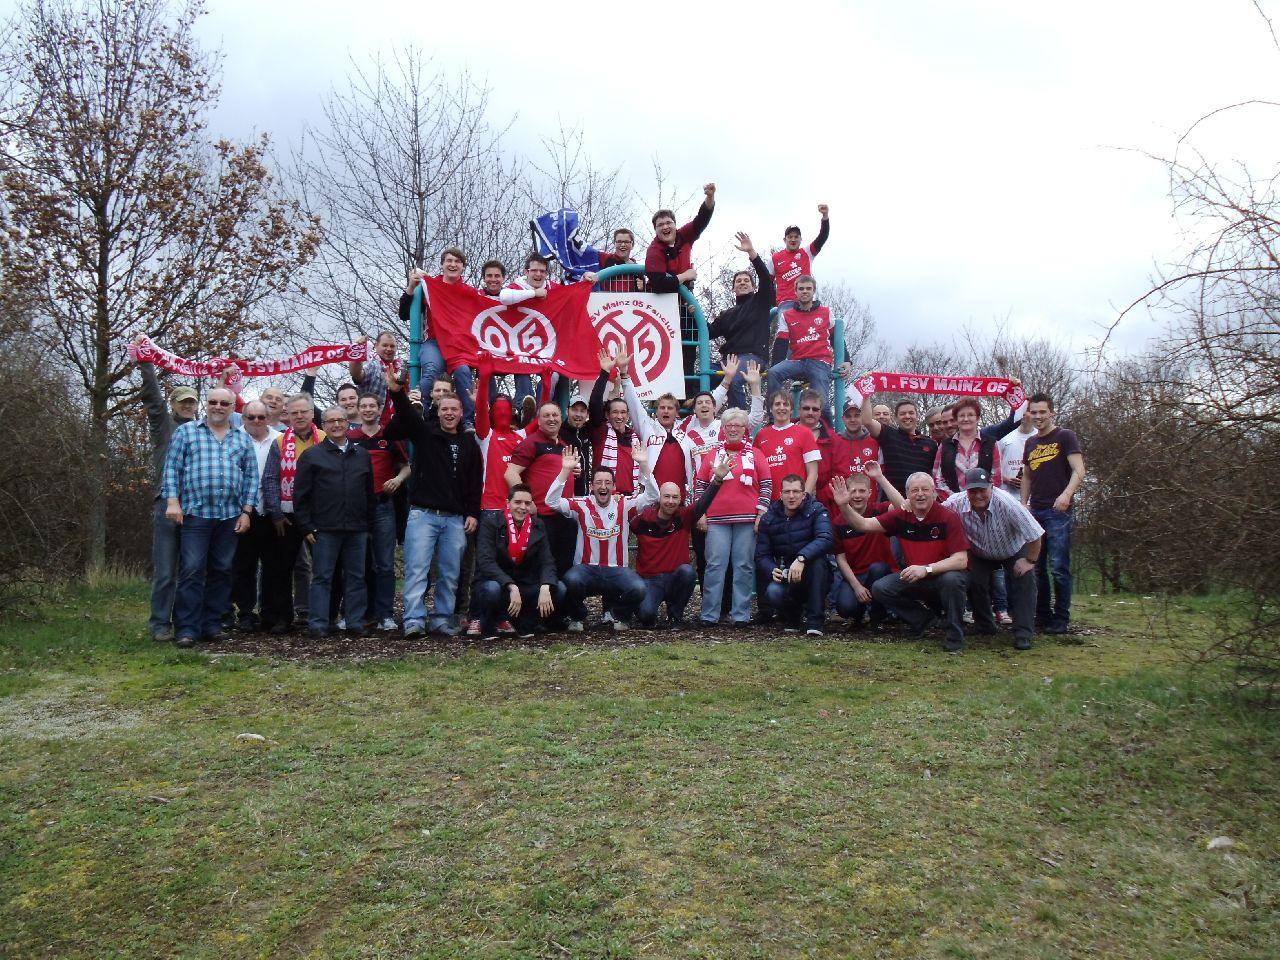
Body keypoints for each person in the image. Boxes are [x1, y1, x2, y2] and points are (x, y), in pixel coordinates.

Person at [160, 387, 258, 648]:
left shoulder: (241, 437)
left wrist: (247, 512)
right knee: (191, 570)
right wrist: (172, 502)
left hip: (229, 516)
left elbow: (251, 477)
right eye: (213, 402)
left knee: (222, 570)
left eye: (224, 403)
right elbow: (172, 468)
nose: (218, 406)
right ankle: (187, 629)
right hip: (194, 514)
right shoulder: (187, 432)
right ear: (207, 404)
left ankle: (212, 625)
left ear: (231, 408)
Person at [385, 377, 481, 638]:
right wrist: (397, 393)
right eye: (445, 409)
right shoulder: (425, 432)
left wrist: (472, 512)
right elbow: (405, 415)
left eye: (454, 409)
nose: (449, 413)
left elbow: (474, 482)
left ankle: (441, 619)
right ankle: (414, 620)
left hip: (455, 519)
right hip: (423, 515)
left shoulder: (469, 444)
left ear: (461, 413)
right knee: (417, 570)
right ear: (437, 411)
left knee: (450, 574)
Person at [838, 471, 970, 652]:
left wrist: (927, 569)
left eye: (925, 489)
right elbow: (863, 525)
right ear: (907, 495)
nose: (920, 494)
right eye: (915, 490)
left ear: (934, 493)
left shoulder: (948, 517)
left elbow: (961, 560)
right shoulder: (901, 515)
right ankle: (922, 619)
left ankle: (954, 634)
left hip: (940, 577)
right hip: (915, 579)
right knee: (880, 588)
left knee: (953, 579)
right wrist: (844, 506)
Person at [545, 445, 658, 631]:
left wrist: (644, 464)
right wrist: (565, 470)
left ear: (614, 486)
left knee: (639, 588)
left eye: (607, 483)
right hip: (586, 569)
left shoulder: (625, 504)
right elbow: (551, 501)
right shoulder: (581, 504)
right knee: (569, 581)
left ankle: (619, 616)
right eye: (598, 482)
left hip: (616, 570)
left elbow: (653, 495)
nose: (603, 487)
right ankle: (578, 616)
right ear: (592, 486)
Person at [293, 406, 376, 638]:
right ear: (323, 425)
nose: (337, 425)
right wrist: (306, 526)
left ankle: (355, 622)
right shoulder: (311, 456)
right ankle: (318, 624)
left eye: (341, 420)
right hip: (325, 529)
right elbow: (300, 496)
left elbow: (369, 493)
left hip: (357, 529)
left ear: (348, 423)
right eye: (331, 421)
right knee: (322, 577)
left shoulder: (361, 455)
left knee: (356, 577)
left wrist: (369, 525)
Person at [136, 342, 199, 642]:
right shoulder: (164, 425)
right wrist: (145, 361)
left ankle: (187, 623)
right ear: (173, 404)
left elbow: (222, 406)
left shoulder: (203, 432)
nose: (187, 406)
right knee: (165, 571)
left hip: (197, 507)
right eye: (182, 402)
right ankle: (160, 624)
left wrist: (225, 380)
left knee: (192, 570)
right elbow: (151, 396)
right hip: (165, 505)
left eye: (191, 402)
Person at [943, 468, 1043, 650]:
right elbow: (936, 514)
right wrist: (907, 505)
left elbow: (1035, 534)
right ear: (966, 490)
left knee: (1024, 579)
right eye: (973, 491)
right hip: (980, 553)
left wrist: (1030, 561)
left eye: (983, 490)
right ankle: (985, 625)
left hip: (1013, 549)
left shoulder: (1008, 504)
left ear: (992, 487)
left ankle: (1023, 633)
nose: (978, 495)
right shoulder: (956, 503)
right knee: (974, 581)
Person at [696, 408, 772, 626]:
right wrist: (700, 513)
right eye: (729, 425)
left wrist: (761, 512)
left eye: (738, 425)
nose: (733, 429)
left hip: (747, 519)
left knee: (744, 566)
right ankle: (709, 614)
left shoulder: (756, 454)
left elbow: (766, 485)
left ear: (745, 429)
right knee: (715, 565)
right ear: (723, 429)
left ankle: (741, 614)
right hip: (716, 519)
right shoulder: (712, 454)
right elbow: (700, 485)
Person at [634, 461, 729, 628]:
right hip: (650, 580)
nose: (670, 501)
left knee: (688, 572)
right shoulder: (642, 520)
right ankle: (641, 607)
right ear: (659, 498)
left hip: (674, 578)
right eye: (667, 496)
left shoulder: (683, 517)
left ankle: (675, 615)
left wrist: (717, 480)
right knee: (646, 616)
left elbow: (702, 504)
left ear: (680, 499)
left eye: (675, 497)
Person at [1021, 393, 1085, 635]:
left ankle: (1061, 618)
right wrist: (1023, 504)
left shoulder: (1065, 436)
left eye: (1042, 412)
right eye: (1033, 412)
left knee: (1059, 566)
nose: (1038, 416)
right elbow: (1026, 476)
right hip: (1035, 510)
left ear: (1051, 412)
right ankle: (1042, 614)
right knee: (1036, 565)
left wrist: (1066, 495)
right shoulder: (1031, 443)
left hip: (1058, 512)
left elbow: (1079, 470)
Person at [260, 393, 323, 633]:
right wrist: (276, 513)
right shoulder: (278, 441)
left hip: (318, 515)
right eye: (294, 412)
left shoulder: (325, 439)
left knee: (323, 568)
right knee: (280, 568)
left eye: (303, 412)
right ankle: (282, 617)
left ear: (311, 413)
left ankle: (319, 616)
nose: (299, 416)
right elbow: (269, 478)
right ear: (289, 414)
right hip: (287, 515)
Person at [472, 484, 566, 638]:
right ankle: (490, 624)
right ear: (507, 503)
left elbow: (547, 561)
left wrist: (545, 585)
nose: (522, 507)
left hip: (524, 584)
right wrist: (510, 585)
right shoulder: (491, 523)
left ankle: (526, 625)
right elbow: (485, 561)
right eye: (518, 502)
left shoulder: (538, 525)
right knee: (491, 589)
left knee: (559, 589)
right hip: (498, 584)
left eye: (527, 503)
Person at [350, 392, 409, 631]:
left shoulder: (390, 435)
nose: (367, 410)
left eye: (371, 406)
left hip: (384, 506)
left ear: (378, 409)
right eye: (362, 406)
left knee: (384, 564)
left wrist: (397, 479)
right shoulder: (350, 437)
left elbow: (407, 467)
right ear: (358, 409)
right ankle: (358, 612)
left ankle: (385, 614)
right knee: (357, 564)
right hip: (356, 508)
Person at [646, 182, 716, 386]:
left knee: (688, 347)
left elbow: (701, 221)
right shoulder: (654, 251)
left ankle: (687, 392)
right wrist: (685, 276)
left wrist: (709, 199)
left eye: (668, 223)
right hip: (662, 306)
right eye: (660, 225)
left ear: (675, 225)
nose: (665, 227)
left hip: (685, 304)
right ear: (656, 230)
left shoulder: (683, 236)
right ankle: (661, 395)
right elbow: (659, 284)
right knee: (665, 349)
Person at [400, 248, 477, 420]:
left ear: (463, 267)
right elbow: (404, 314)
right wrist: (412, 286)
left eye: (457, 262)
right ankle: (420, 409)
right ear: (442, 264)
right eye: (449, 261)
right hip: (435, 341)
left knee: (463, 373)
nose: (453, 264)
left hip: (459, 345)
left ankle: (467, 420)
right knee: (432, 369)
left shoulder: (469, 293)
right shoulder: (429, 287)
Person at [755, 474, 834, 635]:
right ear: (780, 494)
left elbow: (825, 538)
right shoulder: (769, 518)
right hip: (788, 573)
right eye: (787, 492)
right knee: (773, 592)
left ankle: (815, 622)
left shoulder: (817, 510)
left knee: (819, 562)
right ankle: (792, 617)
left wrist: (802, 557)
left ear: (804, 494)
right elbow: (761, 555)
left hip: (814, 570)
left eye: (796, 492)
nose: (791, 496)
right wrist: (771, 569)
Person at [617, 346, 697, 499]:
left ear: (676, 412)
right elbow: (634, 405)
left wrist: (726, 382)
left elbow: (708, 407)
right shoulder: (648, 427)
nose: (665, 411)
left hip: (678, 497)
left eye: (670, 408)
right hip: (651, 497)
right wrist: (625, 375)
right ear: (656, 411)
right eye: (662, 408)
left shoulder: (686, 429)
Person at [506, 401, 576, 576]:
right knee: (542, 569)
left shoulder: (564, 446)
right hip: (543, 517)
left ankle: (561, 603)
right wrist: (526, 504)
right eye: (546, 415)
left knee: (564, 569)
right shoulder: (532, 443)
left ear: (562, 418)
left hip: (565, 516)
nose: (551, 419)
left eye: (555, 415)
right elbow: (510, 473)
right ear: (538, 420)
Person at [707, 232, 775, 409]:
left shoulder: (760, 302)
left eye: (747, 280)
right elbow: (707, 332)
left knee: (734, 379)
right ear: (733, 288)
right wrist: (691, 313)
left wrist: (751, 252)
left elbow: (766, 279)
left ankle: (738, 421)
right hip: (729, 358)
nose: (743, 283)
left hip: (752, 356)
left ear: (752, 286)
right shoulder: (727, 314)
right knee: (701, 374)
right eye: (738, 281)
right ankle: (697, 421)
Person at [768, 276, 849, 423]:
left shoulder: (826, 312)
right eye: (801, 289)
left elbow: (835, 337)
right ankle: (774, 419)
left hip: (819, 361)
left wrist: (847, 360)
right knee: (774, 372)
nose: (805, 291)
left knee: (821, 401)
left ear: (814, 291)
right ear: (796, 292)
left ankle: (827, 435)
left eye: (808, 288)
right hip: (797, 361)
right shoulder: (787, 315)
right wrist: (776, 364)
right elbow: (781, 342)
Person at [229, 400, 280, 631]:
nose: (257, 422)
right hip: (242, 512)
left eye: (261, 417)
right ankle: (246, 613)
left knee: (272, 567)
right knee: (243, 566)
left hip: (272, 512)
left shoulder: (280, 439)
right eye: (252, 417)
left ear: (268, 418)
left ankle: (270, 613)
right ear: (243, 418)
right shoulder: (233, 439)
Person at [829, 469, 896, 630]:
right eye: (853, 491)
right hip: (856, 575)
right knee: (845, 608)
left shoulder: (879, 511)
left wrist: (880, 478)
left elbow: (901, 505)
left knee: (878, 569)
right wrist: (856, 586)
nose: (857, 495)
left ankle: (877, 614)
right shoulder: (839, 522)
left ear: (870, 493)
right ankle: (858, 616)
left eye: (862, 491)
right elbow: (840, 558)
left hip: (880, 572)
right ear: (847, 492)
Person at [859, 394, 938, 497]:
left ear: (917, 416)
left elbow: (935, 476)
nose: (907, 416)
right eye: (902, 413)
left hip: (921, 500)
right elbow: (867, 421)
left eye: (911, 413)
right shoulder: (888, 434)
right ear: (896, 418)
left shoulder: (931, 443)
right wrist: (866, 394)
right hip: (892, 502)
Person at [588, 350, 641, 495]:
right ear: (607, 415)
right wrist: (605, 372)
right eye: (615, 412)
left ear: (628, 415)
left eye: (623, 412)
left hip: (631, 500)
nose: (619, 416)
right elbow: (594, 402)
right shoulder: (602, 431)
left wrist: (624, 373)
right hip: (604, 497)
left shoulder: (635, 438)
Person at [753, 390, 821, 497]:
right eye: (777, 404)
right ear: (771, 409)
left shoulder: (805, 433)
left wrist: (804, 498)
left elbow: (813, 473)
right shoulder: (761, 435)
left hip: (796, 501)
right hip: (769, 503)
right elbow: (756, 472)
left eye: (786, 404)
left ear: (791, 410)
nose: (781, 408)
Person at [933, 397, 1003, 497]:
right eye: (961, 415)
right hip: (953, 505)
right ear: (956, 419)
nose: (966, 419)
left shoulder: (991, 443)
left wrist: (981, 497)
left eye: (970, 415)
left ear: (978, 418)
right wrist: (956, 500)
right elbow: (937, 479)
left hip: (984, 503)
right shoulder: (944, 446)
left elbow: (996, 478)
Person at [769, 205, 829, 314]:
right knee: (789, 326)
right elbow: (767, 283)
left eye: (796, 237)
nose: (793, 240)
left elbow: (822, 237)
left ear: (801, 239)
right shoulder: (774, 258)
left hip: (806, 301)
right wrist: (774, 302)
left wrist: (825, 217)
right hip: (786, 303)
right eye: (790, 237)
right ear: (784, 239)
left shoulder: (807, 252)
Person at [349, 330, 403, 426]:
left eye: (392, 346)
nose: (389, 349)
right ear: (376, 345)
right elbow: (357, 375)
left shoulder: (401, 368)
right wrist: (357, 350)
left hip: (398, 425)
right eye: (385, 345)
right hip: (374, 425)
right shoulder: (372, 364)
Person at [596, 228, 646, 293]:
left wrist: (643, 287)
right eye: (619, 241)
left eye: (626, 242)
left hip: (628, 302)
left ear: (632, 244)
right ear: (614, 243)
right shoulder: (605, 258)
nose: (622, 245)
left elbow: (644, 295)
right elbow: (585, 251)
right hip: (606, 302)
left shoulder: (638, 270)